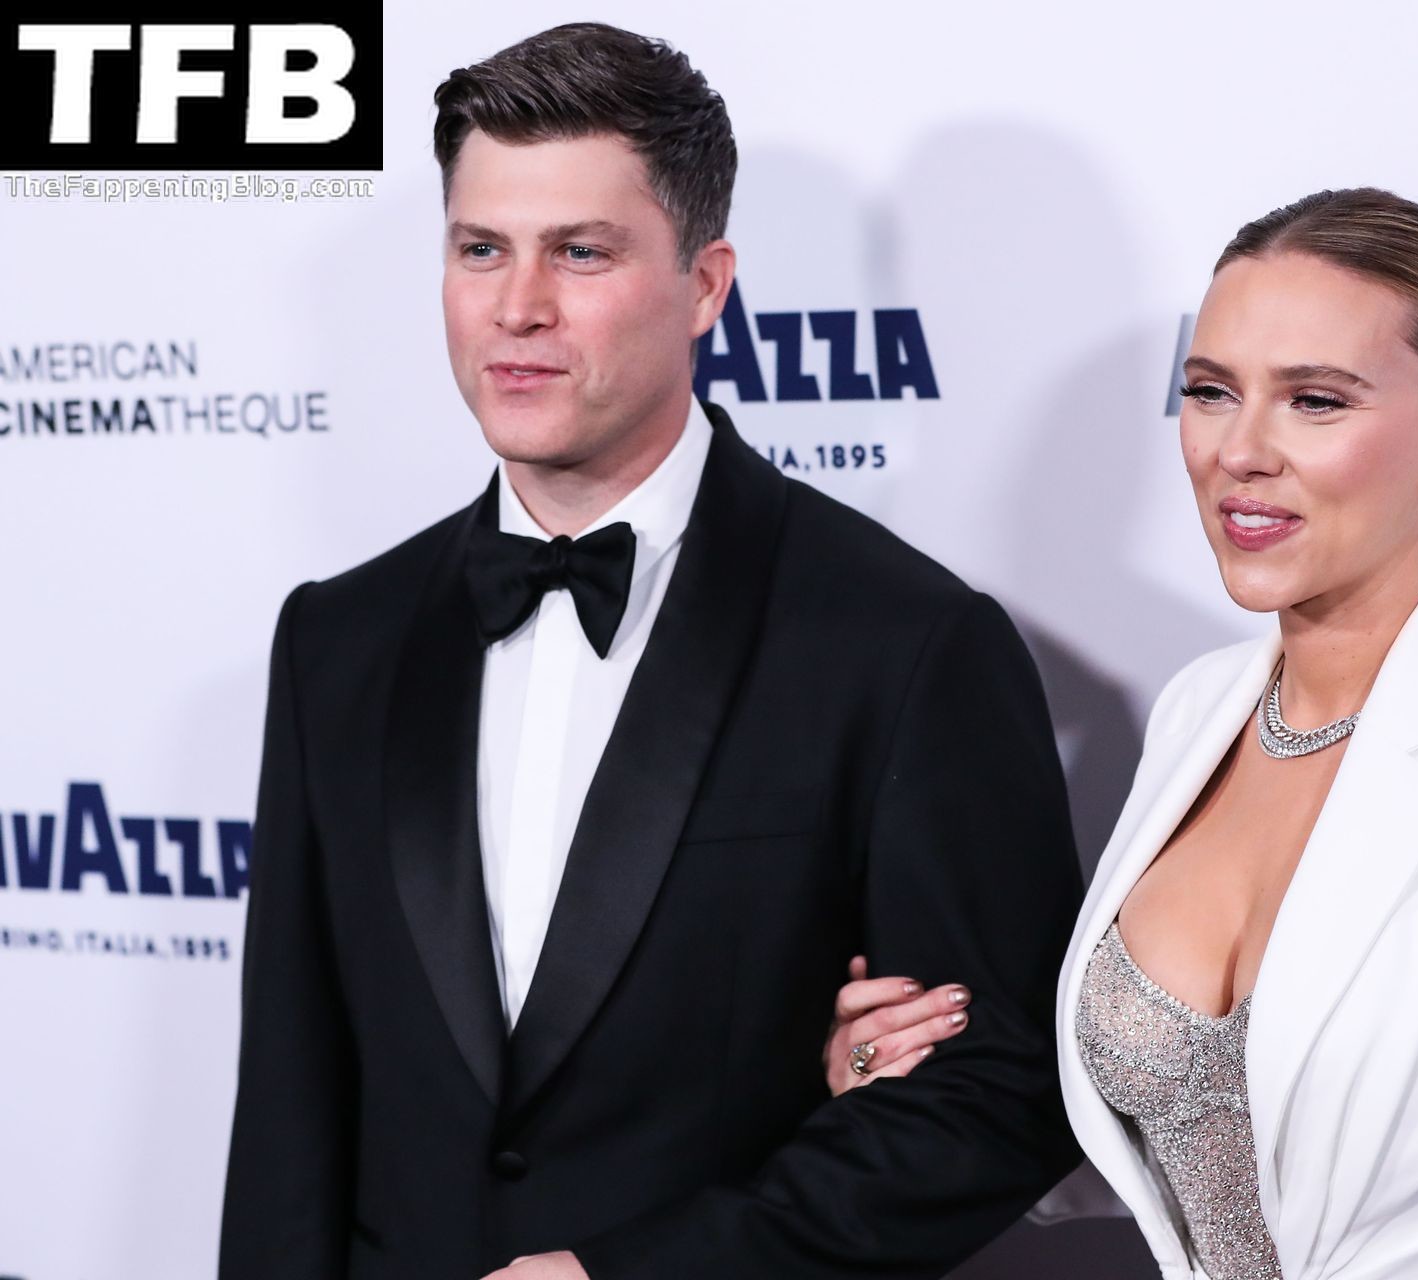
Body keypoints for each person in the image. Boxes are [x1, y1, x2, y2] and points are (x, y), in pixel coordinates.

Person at [217, 23, 1083, 1280]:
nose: (517, 306)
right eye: (480, 248)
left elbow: (995, 1093)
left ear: (706, 286)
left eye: (581, 251)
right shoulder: (335, 639)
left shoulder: (904, 643)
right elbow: (288, 1111)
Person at [829, 188, 1418, 1279]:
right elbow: (1215, 1140)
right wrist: (917, 1076)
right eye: (1211, 392)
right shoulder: (1197, 711)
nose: (1242, 450)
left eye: (1315, 401)